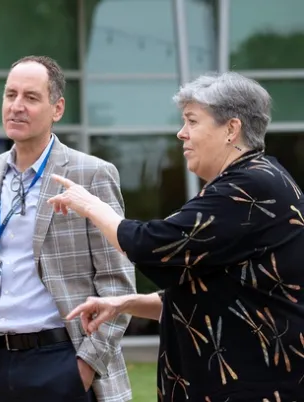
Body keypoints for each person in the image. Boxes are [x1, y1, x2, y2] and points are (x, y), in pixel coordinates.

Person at [50, 72, 304, 401]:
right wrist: (126, 304)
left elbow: (152, 244)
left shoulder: (250, 187)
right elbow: (217, 289)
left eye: (192, 121)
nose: (181, 134)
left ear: (231, 129)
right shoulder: (250, 182)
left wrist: (90, 204)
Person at [0, 55, 137, 402]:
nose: (17, 106)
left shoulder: (92, 174)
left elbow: (117, 283)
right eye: (10, 95)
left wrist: (86, 365)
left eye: (31, 97)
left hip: (62, 361)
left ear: (57, 109)